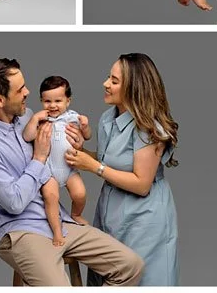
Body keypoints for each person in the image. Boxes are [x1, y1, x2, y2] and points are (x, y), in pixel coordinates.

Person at [0, 58, 144, 287]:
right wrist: (38, 158)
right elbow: (14, 202)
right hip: (21, 232)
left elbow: (59, 149)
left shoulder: (29, 117)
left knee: (130, 266)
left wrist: (77, 144)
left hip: (60, 221)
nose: (28, 92)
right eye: (20, 90)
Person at [65, 53, 179, 286]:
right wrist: (82, 152)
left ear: (134, 87)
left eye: (114, 81)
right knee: (109, 274)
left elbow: (141, 184)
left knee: (139, 278)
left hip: (144, 219)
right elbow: (111, 161)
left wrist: (93, 166)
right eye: (109, 77)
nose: (105, 84)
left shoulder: (149, 128)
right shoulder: (109, 118)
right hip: (111, 211)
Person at [22, 75, 92, 244]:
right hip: (49, 170)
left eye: (58, 101)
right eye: (47, 101)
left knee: (80, 194)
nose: (52, 106)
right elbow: (27, 136)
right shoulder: (41, 119)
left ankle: (76, 214)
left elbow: (87, 137)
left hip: (69, 168)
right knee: (51, 198)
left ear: (68, 101)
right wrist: (34, 120)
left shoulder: (73, 117)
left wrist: (85, 126)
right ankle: (57, 231)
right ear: (41, 101)